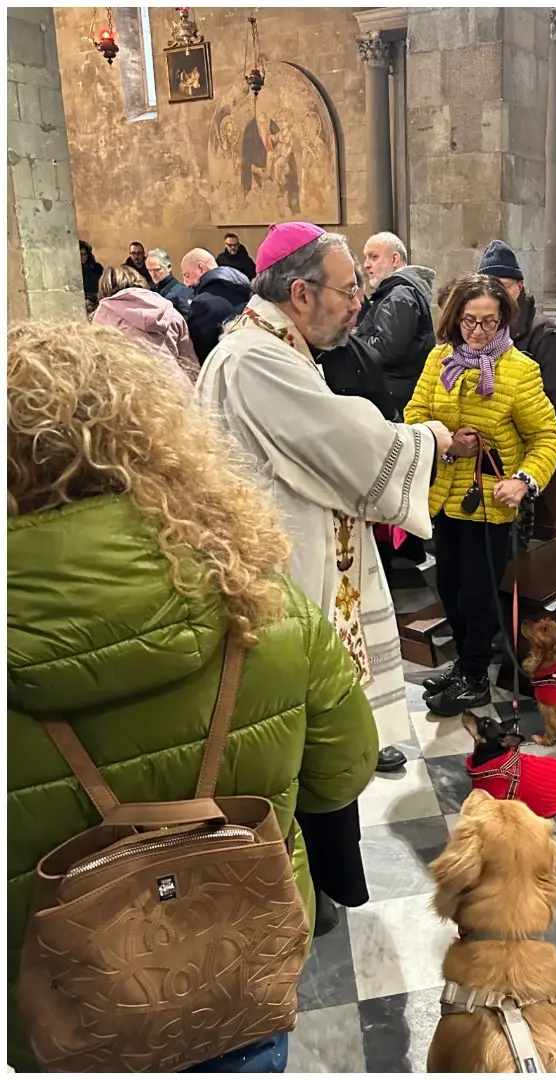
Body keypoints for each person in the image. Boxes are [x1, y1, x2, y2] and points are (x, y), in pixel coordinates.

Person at [7, 321, 380, 1072]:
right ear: (158, 445)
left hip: (65, 996)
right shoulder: (264, 606)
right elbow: (344, 772)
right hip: (237, 961)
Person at [197, 222, 450, 775]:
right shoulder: (255, 358)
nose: (359, 304)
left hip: (304, 544)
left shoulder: (275, 345)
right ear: (302, 293)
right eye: (348, 290)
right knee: (304, 751)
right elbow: (342, 441)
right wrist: (427, 439)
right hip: (288, 559)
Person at [404, 273, 556, 715]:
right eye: (468, 321)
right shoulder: (439, 359)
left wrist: (524, 480)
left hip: (492, 502)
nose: (476, 331)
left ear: (503, 321)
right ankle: (462, 661)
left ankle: (475, 674)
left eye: (487, 322)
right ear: (455, 318)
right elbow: (415, 413)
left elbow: (548, 436)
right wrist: (448, 440)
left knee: (478, 591)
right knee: (449, 585)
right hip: (445, 493)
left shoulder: (519, 369)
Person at [478, 241, 556, 529]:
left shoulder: (545, 334)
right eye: (487, 284)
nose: (494, 293)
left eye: (503, 285)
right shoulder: (479, 331)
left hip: (526, 463)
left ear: (519, 287)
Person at [346, 231, 439, 419]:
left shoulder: (399, 296)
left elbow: (385, 350)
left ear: (395, 259)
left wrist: (352, 340)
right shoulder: (396, 294)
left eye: (374, 257)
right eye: (366, 258)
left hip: (397, 397)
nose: (366, 264)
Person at [92, 263, 199, 384]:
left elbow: (98, 365)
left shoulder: (104, 316)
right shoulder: (170, 311)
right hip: (172, 387)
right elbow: (190, 364)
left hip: (129, 391)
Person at [185, 261, 252, 364]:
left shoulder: (202, 304)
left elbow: (201, 356)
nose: (186, 283)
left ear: (201, 268)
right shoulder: (247, 290)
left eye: (187, 275)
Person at [145, 247, 194, 317]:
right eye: (149, 270)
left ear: (168, 267)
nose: (153, 274)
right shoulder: (153, 290)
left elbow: (189, 319)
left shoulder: (181, 291)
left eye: (157, 270)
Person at [79, 239, 105, 311]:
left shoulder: (97, 267)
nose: (83, 257)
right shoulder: (74, 270)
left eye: (85, 254)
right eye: (80, 254)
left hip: (96, 299)